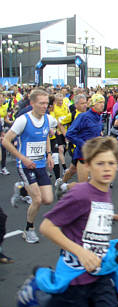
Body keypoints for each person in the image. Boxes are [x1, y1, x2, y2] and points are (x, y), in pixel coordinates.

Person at [39, 136, 118, 306]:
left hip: (99, 274)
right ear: (88, 165)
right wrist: (81, 252)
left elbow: (91, 215)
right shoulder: (81, 194)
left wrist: (117, 217)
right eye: (100, 163)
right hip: (75, 279)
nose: (107, 169)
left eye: (111, 163)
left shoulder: (104, 190)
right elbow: (47, 227)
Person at [2, 89, 56, 244]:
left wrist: (49, 154)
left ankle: (21, 188)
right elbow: (6, 140)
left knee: (48, 199)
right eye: (41, 103)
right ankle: (29, 229)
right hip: (25, 165)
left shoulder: (49, 119)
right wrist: (23, 158)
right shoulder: (23, 120)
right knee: (37, 200)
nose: (45, 106)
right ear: (32, 103)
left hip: (40, 164)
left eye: (46, 103)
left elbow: (46, 135)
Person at [55, 94, 105, 198]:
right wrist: (85, 144)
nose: (102, 105)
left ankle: (62, 184)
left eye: (103, 102)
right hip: (83, 153)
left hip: (93, 153)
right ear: (93, 104)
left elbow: (94, 132)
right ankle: (65, 188)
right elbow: (69, 134)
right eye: (99, 102)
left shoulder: (99, 117)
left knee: (72, 170)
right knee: (84, 186)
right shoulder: (83, 116)